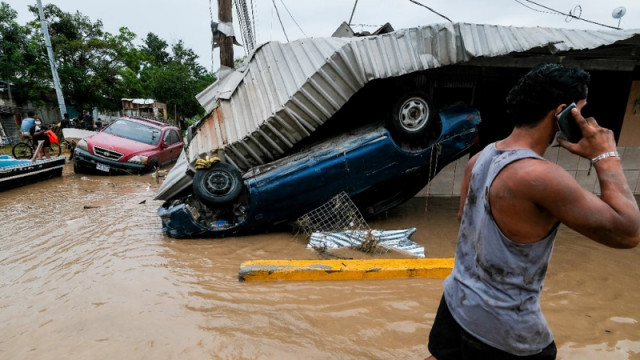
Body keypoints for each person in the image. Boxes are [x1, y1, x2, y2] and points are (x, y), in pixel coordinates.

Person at [427, 63, 640, 360]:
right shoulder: (540, 177)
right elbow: (629, 232)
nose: (587, 119)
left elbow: (466, 221)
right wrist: (606, 156)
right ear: (563, 113)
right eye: (582, 109)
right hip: (504, 334)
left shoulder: (480, 158)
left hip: (455, 304)